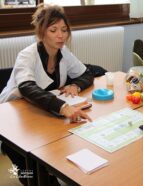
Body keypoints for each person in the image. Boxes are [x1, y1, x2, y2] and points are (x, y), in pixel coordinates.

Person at [0, 4, 94, 185]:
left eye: (64, 30)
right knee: (33, 176)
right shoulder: (27, 55)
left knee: (53, 159)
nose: (61, 35)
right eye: (53, 30)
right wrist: (63, 106)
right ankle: (25, 167)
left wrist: (75, 85)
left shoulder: (63, 52)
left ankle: (46, 173)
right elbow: (27, 87)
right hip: (14, 116)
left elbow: (86, 73)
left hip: (43, 111)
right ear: (42, 32)